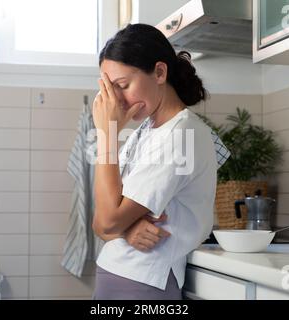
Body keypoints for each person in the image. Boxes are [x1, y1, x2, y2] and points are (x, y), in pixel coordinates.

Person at [91, 23, 220, 300]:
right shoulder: (147, 131)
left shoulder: (182, 134)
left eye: (122, 86)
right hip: (117, 274)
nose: (116, 101)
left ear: (160, 72)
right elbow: (100, 223)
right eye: (110, 91)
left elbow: (108, 221)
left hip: (143, 281)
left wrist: (106, 135)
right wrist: (126, 229)